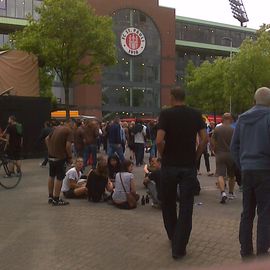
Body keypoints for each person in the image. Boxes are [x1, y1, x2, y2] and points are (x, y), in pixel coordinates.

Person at [156, 87, 207, 259]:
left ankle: (173, 235)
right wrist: (196, 155)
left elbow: (159, 140)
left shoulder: (166, 114)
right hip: (188, 165)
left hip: (170, 165)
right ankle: (179, 247)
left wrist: (164, 154)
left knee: (168, 202)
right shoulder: (195, 114)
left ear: (172, 97)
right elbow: (204, 139)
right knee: (186, 206)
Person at [230, 87, 270, 259]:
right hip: (265, 170)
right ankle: (262, 251)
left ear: (255, 100)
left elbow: (234, 147)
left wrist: (242, 165)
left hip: (247, 170)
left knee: (247, 212)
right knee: (265, 212)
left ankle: (245, 250)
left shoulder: (242, 118)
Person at [46, 119, 74, 206]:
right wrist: (70, 157)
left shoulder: (56, 128)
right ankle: (56, 199)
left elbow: (46, 139)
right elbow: (68, 146)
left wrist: (50, 150)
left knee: (51, 176)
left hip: (51, 156)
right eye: (72, 124)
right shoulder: (68, 131)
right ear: (70, 123)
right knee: (59, 177)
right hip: (60, 157)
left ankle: (50, 197)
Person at [211, 113, 235, 204]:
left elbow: (212, 141)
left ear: (222, 119)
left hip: (220, 154)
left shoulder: (217, 129)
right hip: (231, 155)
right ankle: (231, 193)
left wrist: (214, 150)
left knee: (220, 174)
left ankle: (223, 192)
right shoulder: (234, 130)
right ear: (231, 119)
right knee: (231, 175)